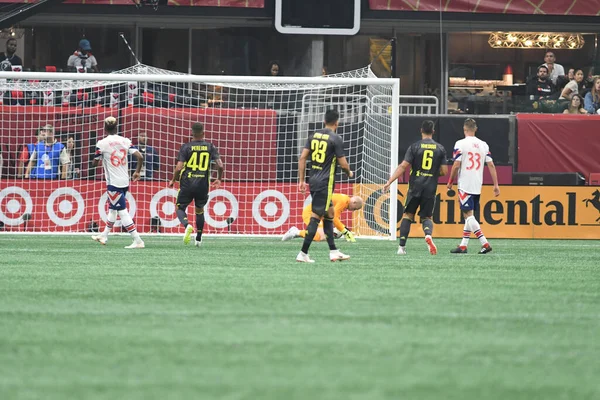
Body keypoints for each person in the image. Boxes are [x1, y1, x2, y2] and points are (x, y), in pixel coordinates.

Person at [382, 120, 447, 255]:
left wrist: (390, 181)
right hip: (430, 187)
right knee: (426, 217)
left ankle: (401, 248)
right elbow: (444, 171)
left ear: (421, 130)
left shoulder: (414, 147)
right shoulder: (440, 148)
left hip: (415, 186)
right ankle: (428, 235)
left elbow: (403, 166)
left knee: (408, 215)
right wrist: (432, 174)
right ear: (433, 132)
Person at [296, 109, 353, 263]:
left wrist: (301, 180)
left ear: (324, 121)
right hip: (325, 182)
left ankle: (334, 251)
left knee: (330, 214)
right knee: (316, 217)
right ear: (337, 123)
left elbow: (302, 158)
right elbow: (342, 163)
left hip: (313, 179)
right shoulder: (335, 138)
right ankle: (303, 253)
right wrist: (349, 173)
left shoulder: (313, 135)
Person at [447, 118, 500, 254]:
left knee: (468, 215)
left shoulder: (460, 143)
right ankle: (463, 245)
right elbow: (491, 165)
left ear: (464, 129)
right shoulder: (483, 145)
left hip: (465, 184)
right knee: (469, 215)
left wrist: (450, 181)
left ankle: (485, 243)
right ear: (475, 129)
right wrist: (496, 185)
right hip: (477, 184)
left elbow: (456, 164)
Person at [91, 116, 145, 249]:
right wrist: (137, 172)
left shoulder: (102, 143)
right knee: (113, 209)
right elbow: (140, 156)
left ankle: (137, 240)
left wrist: (99, 157)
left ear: (104, 128)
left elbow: (95, 163)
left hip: (113, 182)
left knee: (122, 211)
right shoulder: (125, 141)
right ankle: (104, 235)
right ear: (117, 127)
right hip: (124, 181)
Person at [169, 122, 223, 247]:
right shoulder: (210, 146)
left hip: (187, 182)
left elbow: (178, 167)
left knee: (179, 208)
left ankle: (187, 225)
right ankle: (198, 239)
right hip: (203, 184)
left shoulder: (186, 147)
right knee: (199, 210)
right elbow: (220, 165)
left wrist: (173, 180)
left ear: (192, 134)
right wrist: (219, 179)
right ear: (203, 133)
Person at [281, 193, 364, 242]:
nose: (353, 211)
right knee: (317, 237)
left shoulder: (344, 200)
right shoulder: (343, 201)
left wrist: (344, 230)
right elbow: (334, 218)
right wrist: (345, 231)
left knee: (323, 237)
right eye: (355, 208)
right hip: (311, 213)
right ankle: (295, 232)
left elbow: (332, 218)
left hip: (319, 215)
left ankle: (335, 233)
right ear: (354, 202)